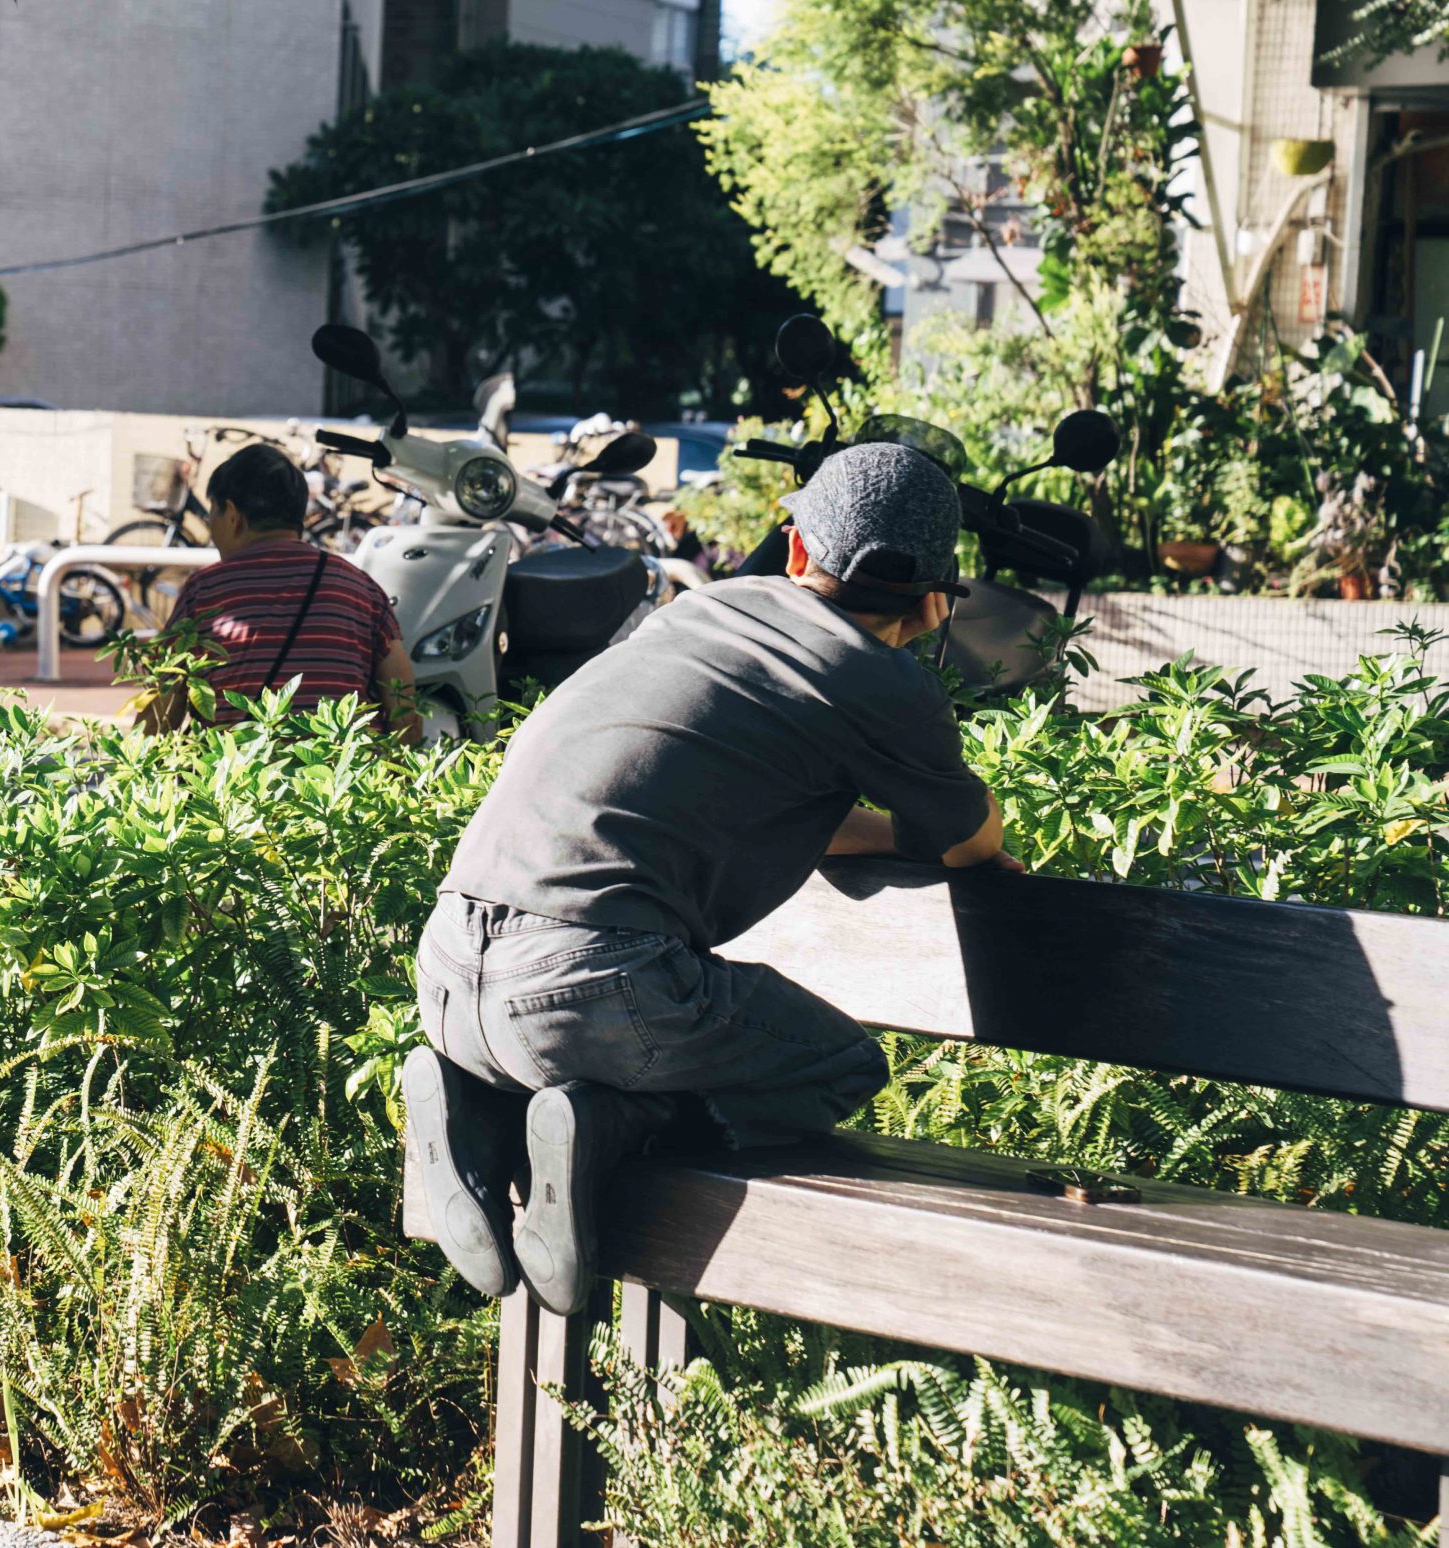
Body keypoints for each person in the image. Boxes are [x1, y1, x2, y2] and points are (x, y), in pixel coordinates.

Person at [404, 440, 1022, 1314]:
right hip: (588, 989)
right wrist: (925, 811)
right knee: (839, 1066)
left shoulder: (701, 612)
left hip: (450, 963)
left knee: (587, 1034)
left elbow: (760, 809)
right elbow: (970, 843)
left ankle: (481, 1111)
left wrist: (881, 825)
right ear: (934, 598)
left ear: (799, 549)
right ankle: (607, 1125)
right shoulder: (877, 679)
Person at [140, 441, 423, 742]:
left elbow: (162, 713)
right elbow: (404, 713)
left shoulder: (205, 590)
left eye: (213, 515)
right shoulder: (361, 589)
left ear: (233, 516)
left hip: (239, 782)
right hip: (346, 782)